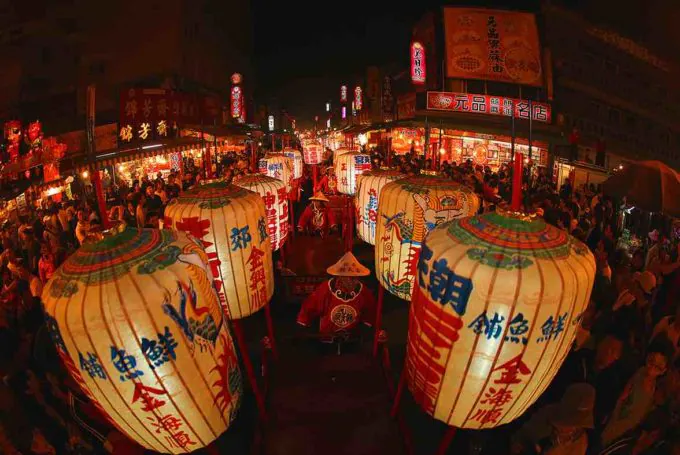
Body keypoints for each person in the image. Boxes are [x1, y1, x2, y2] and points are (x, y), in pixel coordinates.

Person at [600, 340, 672, 447]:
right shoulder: (641, 372)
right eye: (651, 361)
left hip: (626, 430)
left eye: (658, 366)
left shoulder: (655, 388)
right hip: (616, 421)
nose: (652, 368)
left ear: (664, 370)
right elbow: (622, 397)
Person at [297, 252, 376, 342]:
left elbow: (370, 311)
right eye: (348, 277)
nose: (352, 281)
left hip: (352, 339)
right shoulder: (326, 288)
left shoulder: (363, 292)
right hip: (327, 337)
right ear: (340, 277)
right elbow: (309, 306)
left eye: (355, 278)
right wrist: (303, 325)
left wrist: (365, 329)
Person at [511, 383, 595, 455]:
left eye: (577, 424)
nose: (570, 428)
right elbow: (520, 438)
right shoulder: (545, 416)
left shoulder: (580, 441)